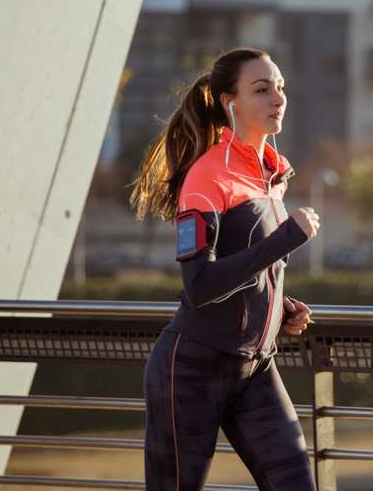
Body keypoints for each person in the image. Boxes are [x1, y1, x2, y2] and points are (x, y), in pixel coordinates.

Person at [130, 47, 320, 491]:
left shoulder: (272, 177)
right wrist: (286, 238)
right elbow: (200, 285)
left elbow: (250, 267)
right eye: (262, 89)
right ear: (228, 103)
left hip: (255, 368)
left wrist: (277, 307)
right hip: (191, 369)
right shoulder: (207, 176)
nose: (278, 98)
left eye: (280, 87)